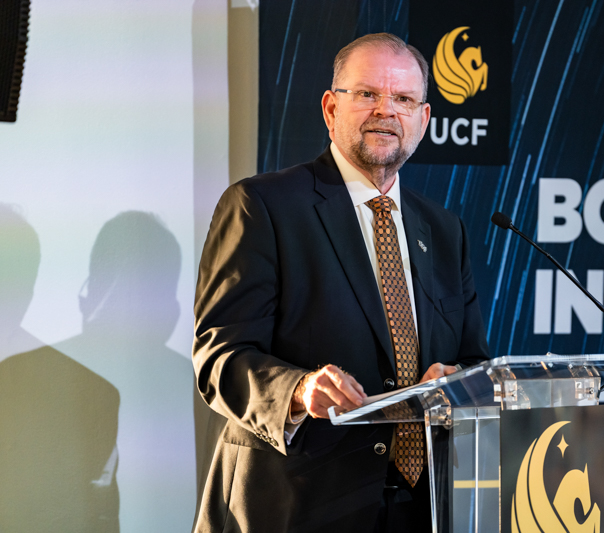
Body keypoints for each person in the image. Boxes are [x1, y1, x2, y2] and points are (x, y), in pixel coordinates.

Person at [192, 33, 490, 533]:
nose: (386, 111)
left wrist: (457, 381)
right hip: (295, 507)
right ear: (331, 108)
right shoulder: (262, 207)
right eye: (367, 94)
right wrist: (299, 389)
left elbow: (476, 360)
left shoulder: (443, 230)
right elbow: (219, 356)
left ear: (424, 119)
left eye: (402, 99)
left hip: (423, 510)